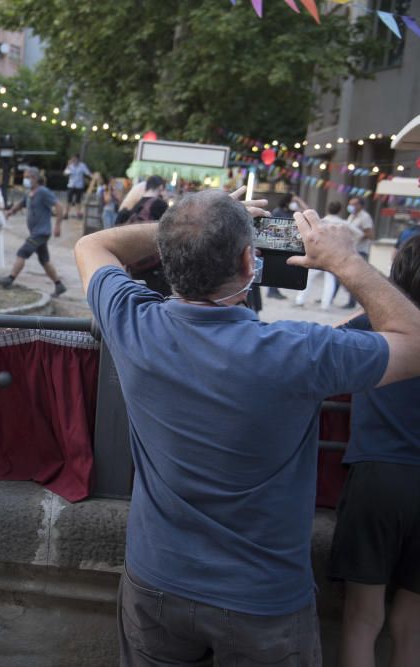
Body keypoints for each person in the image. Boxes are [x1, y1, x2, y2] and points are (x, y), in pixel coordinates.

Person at [74, 186, 420, 666]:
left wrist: (187, 228)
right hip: (263, 601)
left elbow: (92, 245)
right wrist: (344, 261)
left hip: (157, 582)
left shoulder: (133, 323)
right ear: (247, 262)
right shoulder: (299, 351)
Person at [328, 235, 420, 667]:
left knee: (362, 617)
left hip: (378, 477)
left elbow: (319, 349)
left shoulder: (374, 327)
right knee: (412, 623)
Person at [0, 167, 68, 297]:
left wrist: (58, 225)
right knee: (44, 260)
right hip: (36, 232)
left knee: (22, 252)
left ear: (35, 178)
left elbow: (59, 206)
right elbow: (22, 203)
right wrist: (11, 212)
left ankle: (10, 279)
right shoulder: (30, 192)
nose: (25, 180)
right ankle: (59, 285)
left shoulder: (43, 192)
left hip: (41, 232)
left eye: (27, 177)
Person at [294, 201, 359, 310]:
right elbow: (359, 233)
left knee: (309, 277)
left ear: (328, 209)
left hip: (319, 254)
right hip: (335, 255)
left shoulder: (321, 221)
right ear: (340, 210)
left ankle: (300, 299)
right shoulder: (343, 223)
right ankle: (325, 305)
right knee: (330, 281)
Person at [338, 196, 375, 309]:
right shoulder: (351, 216)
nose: (351, 206)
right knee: (346, 276)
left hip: (360, 251)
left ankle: (353, 302)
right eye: (350, 204)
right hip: (351, 250)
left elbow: (370, 234)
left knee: (355, 278)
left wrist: (357, 238)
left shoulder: (365, 217)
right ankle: (348, 300)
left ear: (360, 205)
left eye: (354, 204)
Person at [64, 155, 91, 219]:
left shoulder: (82, 165)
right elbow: (65, 173)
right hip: (71, 185)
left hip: (79, 186)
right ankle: (66, 213)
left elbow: (87, 172)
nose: (74, 161)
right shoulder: (70, 165)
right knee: (68, 200)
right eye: (73, 159)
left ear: (78, 159)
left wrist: (92, 176)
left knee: (78, 201)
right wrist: (68, 165)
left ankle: (78, 214)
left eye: (75, 159)